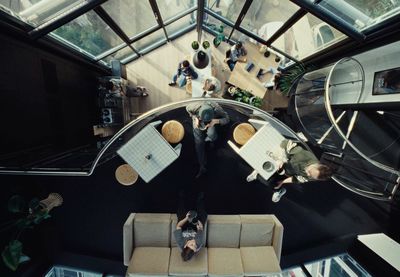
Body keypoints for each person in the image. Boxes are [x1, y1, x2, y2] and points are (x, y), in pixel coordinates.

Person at [246, 139, 333, 202]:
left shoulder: (314, 176)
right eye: (309, 171)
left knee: (272, 184)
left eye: (311, 176)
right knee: (262, 162)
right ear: (316, 165)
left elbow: (296, 179)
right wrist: (281, 159)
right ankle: (257, 171)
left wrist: (282, 182)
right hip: (281, 161)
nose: (307, 174)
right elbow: (285, 143)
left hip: (286, 172)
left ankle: (280, 191)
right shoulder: (302, 154)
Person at [186, 102, 230, 178]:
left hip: (212, 122)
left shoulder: (217, 108)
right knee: (199, 143)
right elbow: (187, 109)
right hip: (197, 120)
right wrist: (194, 117)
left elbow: (227, 119)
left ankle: (212, 140)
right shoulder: (192, 106)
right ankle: (202, 165)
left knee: (211, 134)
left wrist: (216, 121)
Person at [174, 191, 207, 261]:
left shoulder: (180, 242)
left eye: (191, 245)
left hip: (184, 228)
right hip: (195, 228)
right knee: (203, 216)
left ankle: (181, 197)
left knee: (181, 214)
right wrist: (197, 220)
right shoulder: (198, 243)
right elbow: (201, 229)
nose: (194, 243)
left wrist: (186, 218)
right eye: (194, 246)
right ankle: (199, 199)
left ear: (185, 245)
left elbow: (178, 226)